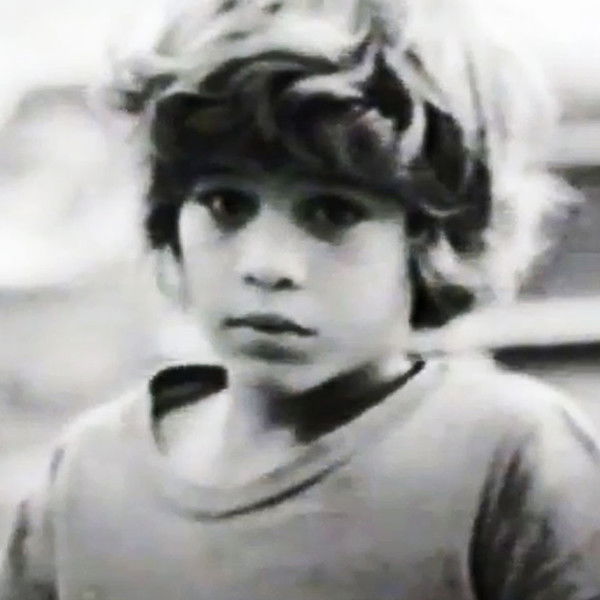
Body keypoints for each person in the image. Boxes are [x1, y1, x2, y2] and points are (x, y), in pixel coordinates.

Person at [2, 0, 599, 598]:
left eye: (333, 212)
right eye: (225, 204)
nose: (265, 265)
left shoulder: (508, 458)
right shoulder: (86, 480)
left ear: (429, 237)